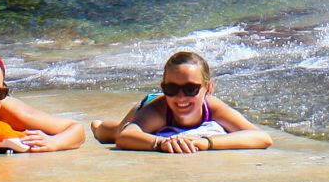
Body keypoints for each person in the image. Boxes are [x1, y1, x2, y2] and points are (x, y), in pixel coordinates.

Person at [93, 49, 272, 154]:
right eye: (171, 89)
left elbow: (261, 137)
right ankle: (99, 126)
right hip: (147, 106)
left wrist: (207, 142)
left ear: (208, 88)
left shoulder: (213, 107)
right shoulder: (159, 110)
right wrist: (159, 143)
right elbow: (124, 137)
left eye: (190, 89)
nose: (180, 97)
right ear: (163, 87)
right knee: (114, 131)